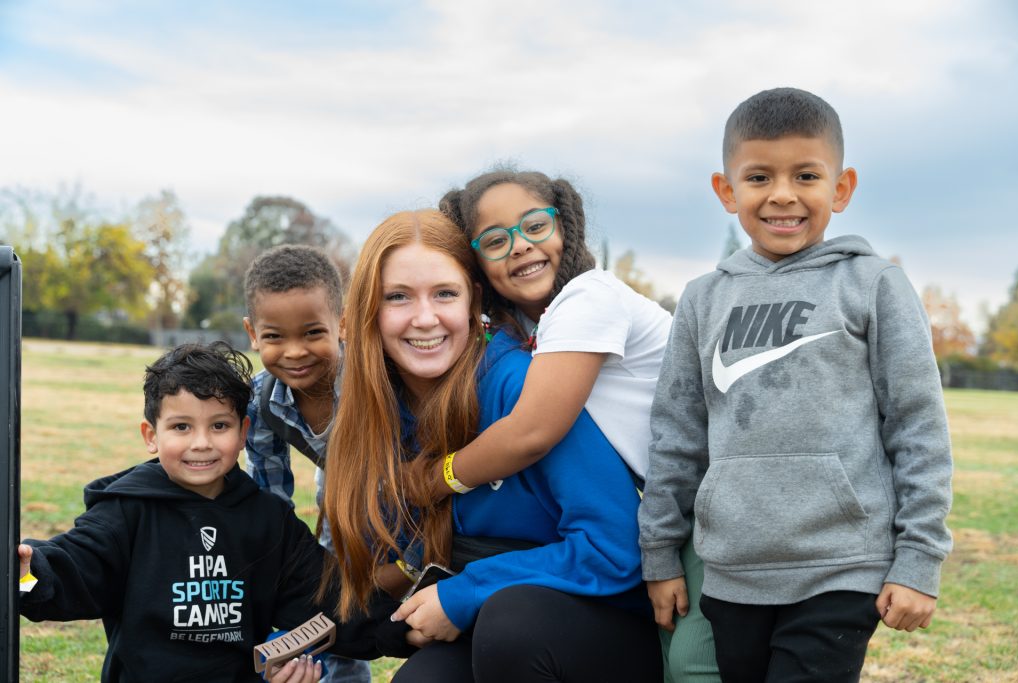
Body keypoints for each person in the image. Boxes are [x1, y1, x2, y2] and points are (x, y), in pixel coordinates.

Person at [638, 87, 954, 682]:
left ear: (841, 187)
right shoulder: (704, 299)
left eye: (805, 175)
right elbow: (676, 436)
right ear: (727, 191)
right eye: (759, 177)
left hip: (841, 566)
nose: (783, 194)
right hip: (733, 569)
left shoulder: (874, 285)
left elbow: (918, 428)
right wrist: (660, 554)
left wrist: (918, 559)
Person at [321, 209, 662, 682]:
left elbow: (615, 547)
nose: (424, 318)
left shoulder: (520, 389)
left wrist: (466, 593)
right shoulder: (380, 414)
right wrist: (403, 626)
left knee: (512, 625)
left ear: (472, 301)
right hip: (488, 626)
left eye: (444, 293)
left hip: (603, 624)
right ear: (369, 313)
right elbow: (405, 563)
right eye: (397, 297)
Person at [420, 168, 718, 680]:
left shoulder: (589, 298)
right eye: (495, 240)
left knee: (692, 667)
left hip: (716, 500)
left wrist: (436, 477)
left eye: (535, 226)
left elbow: (532, 432)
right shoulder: (539, 325)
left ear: (567, 227)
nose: (519, 246)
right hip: (676, 507)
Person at [17, 342, 399, 683]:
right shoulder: (126, 511)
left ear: (243, 431)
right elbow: (73, 569)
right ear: (151, 435)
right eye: (181, 426)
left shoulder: (268, 520)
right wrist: (26, 573)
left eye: (219, 425)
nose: (201, 443)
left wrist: (405, 627)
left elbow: (330, 598)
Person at [242, 244, 373, 683]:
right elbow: (270, 496)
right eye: (275, 337)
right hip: (337, 489)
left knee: (395, 605)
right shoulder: (262, 401)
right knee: (334, 598)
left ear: (343, 323)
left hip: (403, 492)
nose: (295, 352)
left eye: (313, 332)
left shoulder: (369, 379)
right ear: (253, 333)